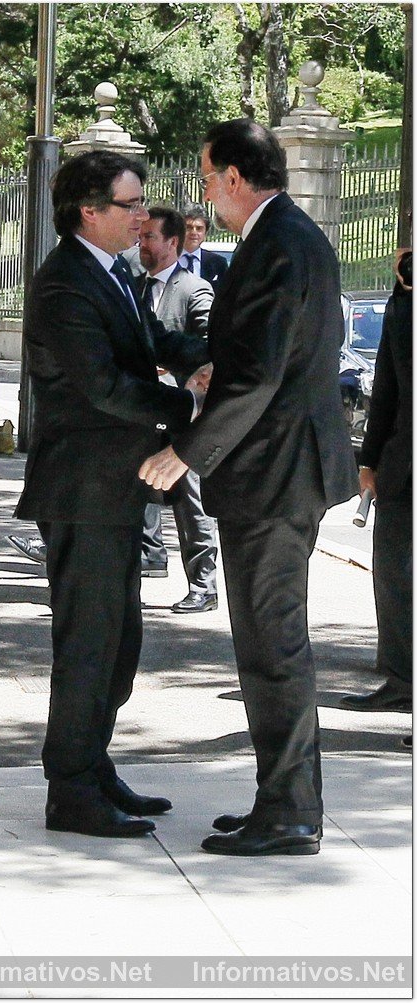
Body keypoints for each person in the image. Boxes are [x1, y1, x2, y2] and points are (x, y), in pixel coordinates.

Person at [141, 119, 359, 857]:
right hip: (277, 470)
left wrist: (188, 453)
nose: (203, 189)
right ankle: (281, 797)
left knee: (274, 646)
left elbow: (263, 375)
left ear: (236, 178)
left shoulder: (281, 243)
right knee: (267, 644)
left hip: (276, 475)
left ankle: (293, 811)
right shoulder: (283, 237)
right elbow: (256, 356)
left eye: (207, 175)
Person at [15, 150, 208, 840]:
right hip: (83, 488)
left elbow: (148, 339)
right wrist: (183, 405)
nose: (143, 216)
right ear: (88, 211)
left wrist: (199, 357)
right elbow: (101, 385)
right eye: (129, 205)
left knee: (119, 640)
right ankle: (70, 787)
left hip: (115, 487)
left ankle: (92, 764)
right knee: (90, 643)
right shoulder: (66, 283)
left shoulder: (110, 270)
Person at [135, 206, 219, 612]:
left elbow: (208, 353)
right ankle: (148, 555)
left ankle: (203, 583)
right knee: (141, 483)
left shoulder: (194, 289)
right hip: (143, 407)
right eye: (141, 236)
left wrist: (177, 367)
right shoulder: (131, 287)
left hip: (183, 410)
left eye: (151, 237)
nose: (142, 243)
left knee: (189, 496)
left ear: (173, 242)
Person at [341, 248, 412, 714]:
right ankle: (402, 679)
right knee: (394, 574)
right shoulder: (403, 298)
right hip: (404, 460)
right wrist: (370, 459)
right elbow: (387, 380)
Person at [179, 204, 229, 284]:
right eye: (188, 227)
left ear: (205, 233)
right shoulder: (166, 260)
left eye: (199, 228)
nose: (194, 232)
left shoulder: (218, 263)